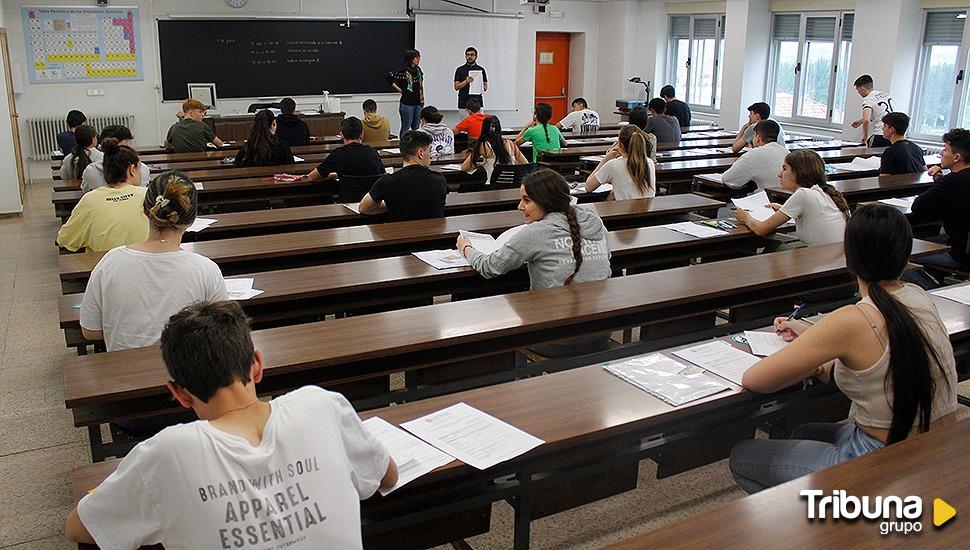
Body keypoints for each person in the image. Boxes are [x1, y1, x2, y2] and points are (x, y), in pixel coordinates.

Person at [65, 301, 398, 549]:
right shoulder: (321, 403)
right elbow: (388, 474)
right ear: (256, 364)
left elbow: (80, 527)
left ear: (179, 393)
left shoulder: (164, 453)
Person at [729, 204, 958, 494]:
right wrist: (813, 337)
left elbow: (755, 380)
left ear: (850, 258)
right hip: (935, 440)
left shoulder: (853, 319)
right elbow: (876, 351)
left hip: (883, 455)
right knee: (805, 431)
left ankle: (834, 529)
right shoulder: (917, 295)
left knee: (743, 456)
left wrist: (815, 351)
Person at [456, 169, 612, 357]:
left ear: (546, 201)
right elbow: (607, 259)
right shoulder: (594, 221)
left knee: (492, 315)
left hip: (554, 339)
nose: (520, 206)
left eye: (526, 200)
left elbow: (489, 267)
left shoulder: (536, 233)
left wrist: (466, 247)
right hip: (601, 332)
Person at [79, 170, 227, 352]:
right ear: (192, 219)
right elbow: (222, 331)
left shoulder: (110, 261)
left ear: (145, 210)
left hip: (123, 375)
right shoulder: (206, 269)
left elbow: (90, 331)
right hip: (186, 374)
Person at [735, 149, 849, 247]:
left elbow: (761, 229)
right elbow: (815, 218)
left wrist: (746, 217)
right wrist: (783, 210)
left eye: (784, 169)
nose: (779, 174)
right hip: (839, 258)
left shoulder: (803, 194)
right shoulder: (824, 192)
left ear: (799, 172)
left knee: (772, 245)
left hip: (820, 261)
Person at [56, 139, 149, 252]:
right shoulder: (149, 196)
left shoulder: (90, 200)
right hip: (146, 266)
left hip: (105, 267)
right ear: (132, 170)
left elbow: (64, 240)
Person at [905, 128, 970, 288]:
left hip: (960, 254)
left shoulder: (953, 182)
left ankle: (934, 291)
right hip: (963, 242)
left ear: (957, 157)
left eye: (945, 149)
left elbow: (918, 206)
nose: (941, 153)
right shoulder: (958, 180)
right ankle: (937, 277)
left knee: (898, 253)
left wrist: (942, 181)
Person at [359, 130, 447, 221]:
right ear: (420, 153)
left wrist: (391, 204)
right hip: (434, 233)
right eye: (430, 150)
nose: (431, 156)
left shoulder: (387, 181)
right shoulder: (439, 180)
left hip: (399, 234)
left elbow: (364, 208)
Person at [304, 117, 385, 182]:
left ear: (342, 135)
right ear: (362, 135)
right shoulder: (372, 152)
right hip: (370, 201)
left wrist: (334, 175)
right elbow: (382, 174)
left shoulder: (338, 154)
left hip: (346, 201)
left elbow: (312, 177)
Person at [585, 125, 655, 199]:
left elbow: (588, 187)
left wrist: (605, 160)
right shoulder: (649, 163)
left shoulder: (613, 165)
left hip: (623, 210)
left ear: (619, 143)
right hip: (647, 209)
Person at [720, 120, 789, 193]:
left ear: (758, 137)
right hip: (785, 199)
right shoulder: (787, 153)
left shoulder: (755, 154)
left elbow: (727, 179)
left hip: (763, 199)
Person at [82, 125, 151, 192]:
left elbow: (85, 190)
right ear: (125, 142)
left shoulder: (90, 171)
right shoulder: (141, 169)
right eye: (130, 141)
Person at [461, 115, 528, 183]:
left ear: (484, 129)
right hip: (511, 187)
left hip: (492, 189)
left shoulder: (483, 145)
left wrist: (481, 164)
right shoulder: (511, 144)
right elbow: (525, 164)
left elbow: (464, 168)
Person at [387, 49, 424, 137]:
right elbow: (389, 78)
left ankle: (415, 145)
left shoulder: (418, 70)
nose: (419, 59)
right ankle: (403, 145)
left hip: (418, 102)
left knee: (416, 127)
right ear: (411, 58)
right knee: (406, 127)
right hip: (407, 103)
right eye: (416, 57)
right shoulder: (402, 71)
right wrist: (399, 89)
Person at [851, 74, 894, 148]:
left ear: (862, 88)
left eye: (858, 90)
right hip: (893, 134)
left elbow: (866, 120)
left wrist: (865, 136)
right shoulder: (885, 94)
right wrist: (860, 121)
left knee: (872, 158)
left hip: (881, 134)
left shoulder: (868, 100)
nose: (858, 93)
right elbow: (880, 113)